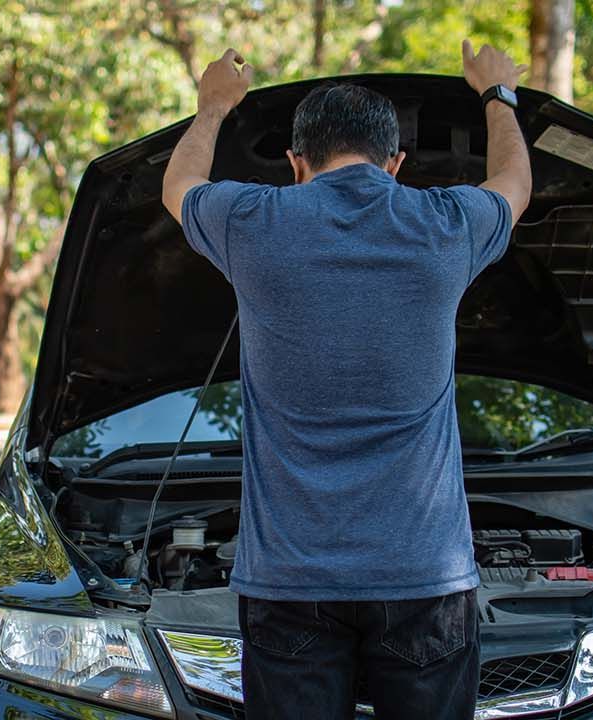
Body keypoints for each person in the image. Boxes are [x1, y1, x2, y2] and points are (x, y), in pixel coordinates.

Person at [161, 41, 531, 720]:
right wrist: (496, 95)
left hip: (289, 583)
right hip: (426, 579)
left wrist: (213, 107)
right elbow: (514, 185)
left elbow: (177, 187)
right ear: (396, 164)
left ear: (296, 164)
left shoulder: (253, 222)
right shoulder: (446, 225)